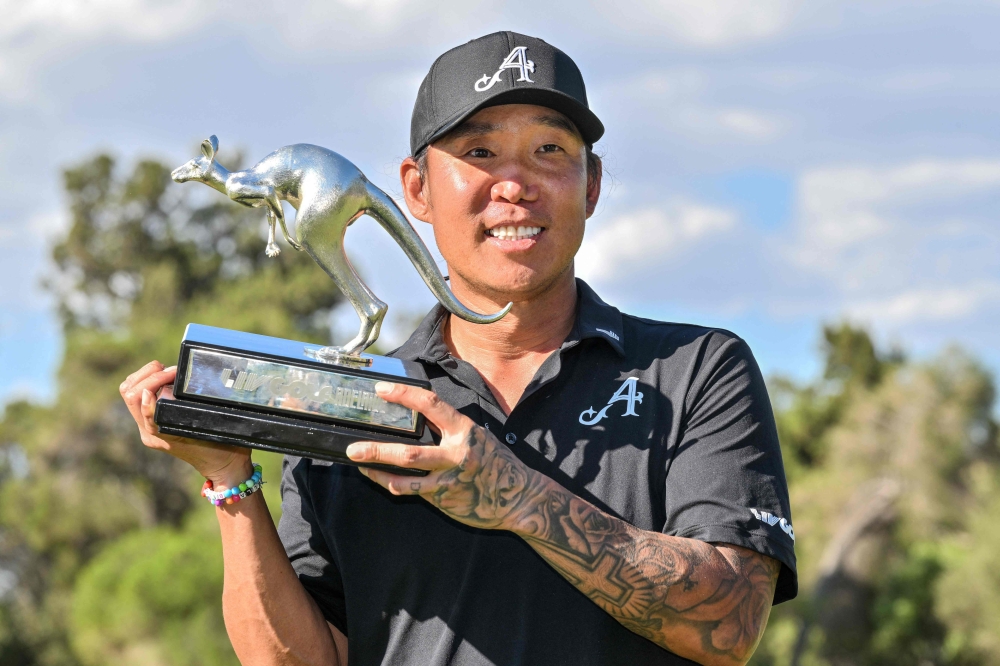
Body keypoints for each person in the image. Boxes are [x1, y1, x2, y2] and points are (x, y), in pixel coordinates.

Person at [119, 31, 796, 666]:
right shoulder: (349, 398)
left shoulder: (696, 371)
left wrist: (517, 498)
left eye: (550, 151)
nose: (515, 185)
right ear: (416, 189)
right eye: (479, 154)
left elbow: (730, 624)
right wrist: (228, 479)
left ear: (590, 187)